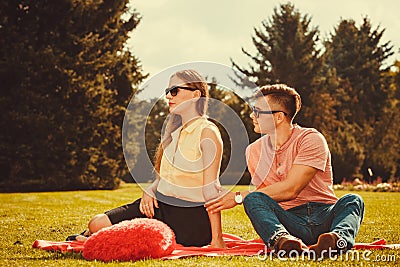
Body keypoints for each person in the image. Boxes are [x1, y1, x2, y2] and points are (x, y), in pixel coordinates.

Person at [68, 70, 226, 248]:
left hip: (189, 219)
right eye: (167, 91)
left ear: (196, 95)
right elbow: (164, 178)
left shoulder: (207, 132)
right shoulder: (173, 133)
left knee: (118, 234)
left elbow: (211, 188)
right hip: (159, 206)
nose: (168, 96)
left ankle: (95, 239)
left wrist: (217, 240)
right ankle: (95, 236)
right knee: (97, 223)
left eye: (174, 91)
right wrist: (150, 190)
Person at [205, 84, 364, 257]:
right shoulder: (253, 151)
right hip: (289, 220)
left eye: (257, 111)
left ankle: (335, 240)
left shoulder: (311, 139)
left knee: (353, 200)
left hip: (325, 216)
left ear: (279, 117)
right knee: (254, 198)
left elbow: (291, 188)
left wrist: (238, 197)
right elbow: (263, 196)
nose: (252, 115)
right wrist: (246, 197)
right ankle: (283, 241)